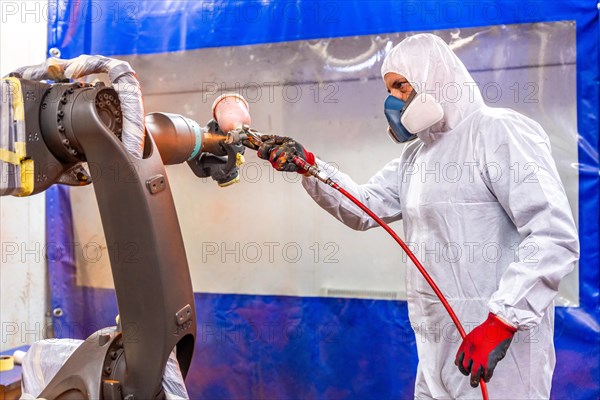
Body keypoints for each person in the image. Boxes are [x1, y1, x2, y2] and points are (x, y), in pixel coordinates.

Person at [256, 34, 580, 399]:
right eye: (389, 89)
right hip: (437, 355)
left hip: (499, 354)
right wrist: (309, 167)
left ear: (434, 78)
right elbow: (363, 207)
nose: (393, 99)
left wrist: (503, 321)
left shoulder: (497, 131)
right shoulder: (416, 158)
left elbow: (553, 237)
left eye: (401, 85)